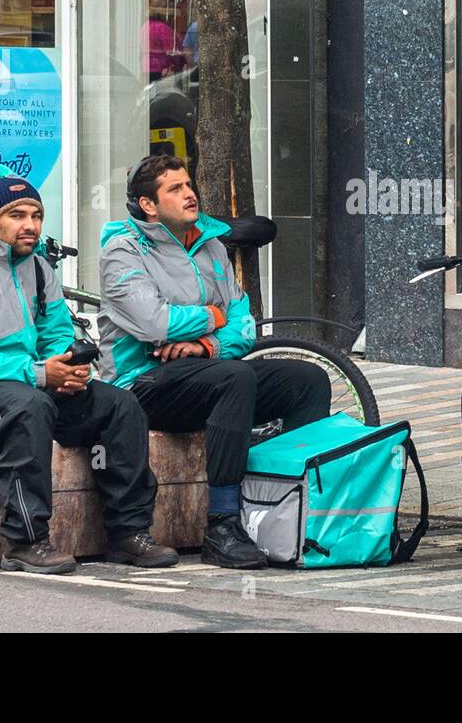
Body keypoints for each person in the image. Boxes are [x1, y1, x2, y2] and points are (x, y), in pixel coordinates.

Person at [0, 164, 177, 574]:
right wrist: (42, 374)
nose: (30, 225)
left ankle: (129, 533)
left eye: (36, 216)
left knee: (119, 404)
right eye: (16, 215)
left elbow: (56, 333)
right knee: (28, 409)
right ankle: (24, 541)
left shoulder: (40, 269)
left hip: (28, 383)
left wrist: (70, 367)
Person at [97, 154, 331, 570]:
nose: (190, 194)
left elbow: (245, 326)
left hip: (208, 370)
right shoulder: (122, 252)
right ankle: (223, 523)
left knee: (307, 379)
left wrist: (206, 346)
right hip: (143, 385)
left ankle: (292, 506)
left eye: (189, 185)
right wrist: (212, 317)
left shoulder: (211, 246)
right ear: (148, 204)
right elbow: (154, 324)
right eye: (175, 188)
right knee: (234, 377)